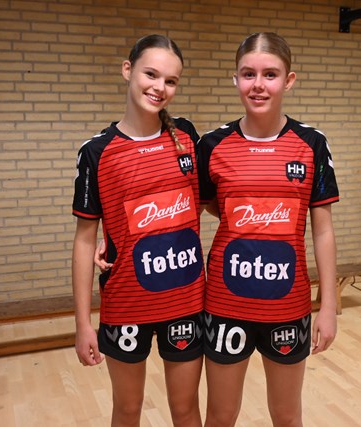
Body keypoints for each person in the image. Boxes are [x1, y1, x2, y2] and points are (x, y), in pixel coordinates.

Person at [197, 32, 339, 426]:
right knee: (220, 416)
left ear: (288, 80)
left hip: (288, 306)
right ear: (236, 79)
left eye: (270, 74)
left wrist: (328, 307)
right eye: (248, 74)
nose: (258, 84)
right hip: (225, 303)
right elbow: (204, 206)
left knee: (287, 416)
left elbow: (323, 231)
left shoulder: (311, 143)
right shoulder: (213, 144)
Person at [72, 34, 205, 427]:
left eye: (171, 80)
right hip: (126, 303)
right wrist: (82, 323)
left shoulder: (187, 136)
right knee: (128, 410)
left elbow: (200, 200)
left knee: (186, 410)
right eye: (151, 74)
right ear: (127, 70)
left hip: (185, 299)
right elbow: (84, 240)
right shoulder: (97, 152)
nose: (159, 87)